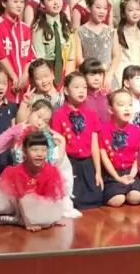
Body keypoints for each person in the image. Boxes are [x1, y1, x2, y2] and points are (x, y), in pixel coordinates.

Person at [0, 130, 66, 230]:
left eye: (43, 150)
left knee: (45, 218)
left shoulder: (50, 171)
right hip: (14, 202)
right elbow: (21, 199)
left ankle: (19, 219)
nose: (39, 154)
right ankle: (17, 219)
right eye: (34, 150)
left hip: (32, 202)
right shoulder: (19, 172)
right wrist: (28, 223)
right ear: (24, 151)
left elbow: (52, 196)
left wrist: (52, 217)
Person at [51, 71, 103, 210]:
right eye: (77, 87)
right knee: (73, 201)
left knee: (97, 198)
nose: (82, 91)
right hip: (69, 163)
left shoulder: (91, 113)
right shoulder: (58, 115)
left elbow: (94, 145)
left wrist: (98, 171)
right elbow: (56, 144)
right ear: (66, 90)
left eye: (84, 87)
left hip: (87, 163)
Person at [98, 89, 140, 207]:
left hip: (131, 171)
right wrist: (117, 178)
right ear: (110, 109)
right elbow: (104, 157)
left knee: (135, 198)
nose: (127, 108)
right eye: (121, 105)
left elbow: (138, 156)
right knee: (117, 200)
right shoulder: (103, 130)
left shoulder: (137, 131)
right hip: (112, 173)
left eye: (130, 105)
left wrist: (132, 174)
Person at [0, 0, 34, 96]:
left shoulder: (25, 28)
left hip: (24, 87)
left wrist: (25, 75)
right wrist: (14, 77)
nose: (19, 5)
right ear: (4, 3)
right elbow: (0, 56)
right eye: (15, 2)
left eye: (22, 2)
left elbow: (30, 57)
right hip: (5, 86)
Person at [31, 0, 80, 84]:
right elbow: (40, 60)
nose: (56, 2)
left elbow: (71, 58)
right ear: (43, 4)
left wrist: (66, 82)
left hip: (65, 73)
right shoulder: (39, 28)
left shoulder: (66, 26)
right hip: (46, 75)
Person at [78, 0, 117, 72]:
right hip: (87, 74)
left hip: (108, 75)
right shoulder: (79, 31)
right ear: (88, 8)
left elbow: (116, 56)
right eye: (98, 7)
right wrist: (91, 74)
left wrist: (108, 75)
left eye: (105, 8)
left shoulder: (111, 31)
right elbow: (79, 58)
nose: (102, 11)